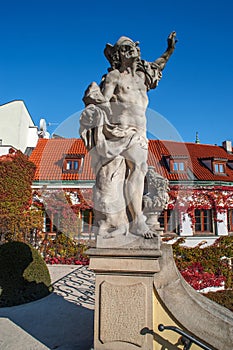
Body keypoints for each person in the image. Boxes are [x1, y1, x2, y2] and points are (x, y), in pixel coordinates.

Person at [80, 32, 176, 239]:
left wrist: (169, 50)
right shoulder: (114, 77)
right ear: (117, 55)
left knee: (138, 170)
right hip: (119, 131)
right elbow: (103, 102)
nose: (129, 50)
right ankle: (135, 220)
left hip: (139, 134)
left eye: (131, 46)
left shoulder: (142, 77)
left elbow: (158, 66)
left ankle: (135, 219)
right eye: (124, 48)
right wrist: (94, 102)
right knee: (122, 175)